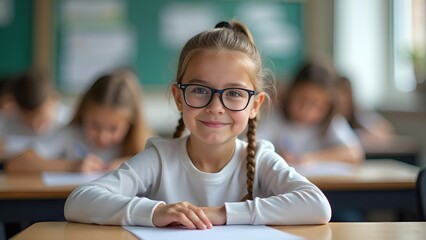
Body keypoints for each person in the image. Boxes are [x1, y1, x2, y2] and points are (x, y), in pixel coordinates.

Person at [64, 21, 331, 229]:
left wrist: (221, 213)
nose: (216, 107)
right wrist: (155, 212)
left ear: (255, 105)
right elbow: (79, 202)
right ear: (179, 97)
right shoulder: (159, 157)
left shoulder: (262, 158)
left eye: (235, 93)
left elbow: (317, 206)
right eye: (200, 90)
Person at [6, 69, 154, 172]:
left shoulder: (147, 146)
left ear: (131, 124)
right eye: (95, 125)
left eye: (113, 128)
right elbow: (17, 164)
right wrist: (71, 166)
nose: (103, 136)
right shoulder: (71, 135)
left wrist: (130, 164)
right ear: (83, 113)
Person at [258, 60, 364, 166]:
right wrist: (276, 155)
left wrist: (311, 158)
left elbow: (355, 153)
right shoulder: (275, 118)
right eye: (302, 101)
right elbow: (254, 146)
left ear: (329, 106)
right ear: (290, 93)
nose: (307, 111)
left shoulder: (331, 122)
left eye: (317, 106)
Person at [0, 69, 71, 160]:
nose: (37, 127)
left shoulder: (70, 120)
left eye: (43, 119)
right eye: (29, 123)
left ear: (54, 99)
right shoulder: (9, 121)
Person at [337, 75, 395, 146]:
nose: (343, 98)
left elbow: (385, 132)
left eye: (346, 93)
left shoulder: (359, 114)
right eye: (339, 93)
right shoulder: (331, 121)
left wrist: (358, 136)